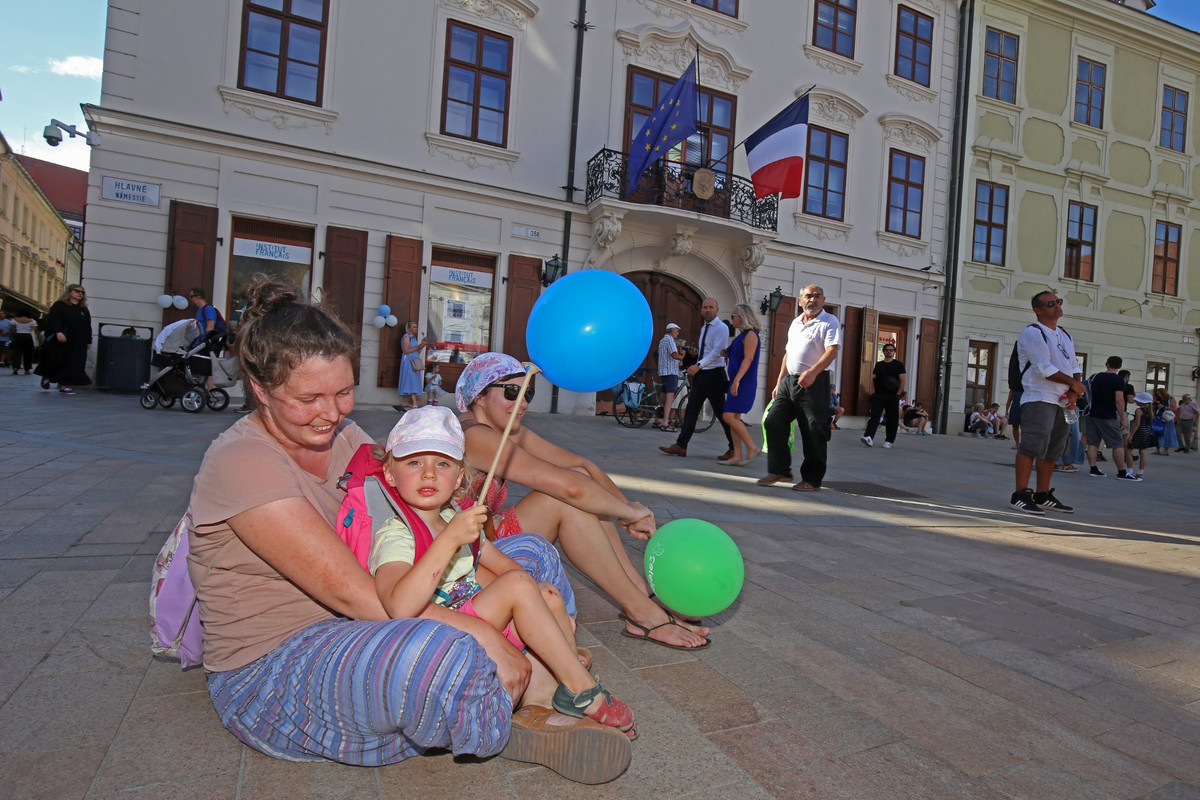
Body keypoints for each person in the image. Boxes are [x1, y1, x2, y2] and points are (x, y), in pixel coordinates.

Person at [187, 281, 632, 783]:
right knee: (435, 652)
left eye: (343, 392)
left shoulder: (347, 438)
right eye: (309, 398)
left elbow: (418, 528)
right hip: (278, 664)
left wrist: (493, 567)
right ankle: (511, 696)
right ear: (261, 390)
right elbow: (361, 600)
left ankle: (516, 689)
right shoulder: (242, 462)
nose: (332, 413)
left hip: (371, 618)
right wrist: (487, 634)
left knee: (528, 557)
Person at [369, 406, 636, 739]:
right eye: (413, 462)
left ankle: (541, 705)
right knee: (519, 587)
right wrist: (450, 540)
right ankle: (583, 691)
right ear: (390, 474)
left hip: (478, 610)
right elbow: (399, 606)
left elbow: (500, 563)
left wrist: (541, 604)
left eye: (442, 464)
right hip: (440, 634)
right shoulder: (396, 532)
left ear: (459, 478)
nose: (428, 474)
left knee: (547, 594)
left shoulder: (455, 518)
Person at [458, 352, 710, 651]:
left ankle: (643, 598)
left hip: (482, 537)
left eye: (528, 393)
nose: (522, 403)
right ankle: (641, 612)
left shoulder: (505, 428)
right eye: (512, 392)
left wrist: (625, 511)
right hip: (463, 555)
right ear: (480, 397)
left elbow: (582, 467)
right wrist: (628, 512)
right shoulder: (475, 436)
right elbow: (570, 489)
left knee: (580, 485)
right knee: (565, 500)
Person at [758, 285, 841, 492]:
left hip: (815, 381)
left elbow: (832, 350)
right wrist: (779, 381)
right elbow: (788, 353)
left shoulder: (829, 321)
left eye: (817, 296)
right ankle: (780, 470)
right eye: (808, 296)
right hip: (789, 382)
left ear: (823, 299)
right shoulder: (795, 323)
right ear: (800, 301)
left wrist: (812, 372)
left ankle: (812, 480)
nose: (813, 300)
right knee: (773, 420)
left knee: (814, 430)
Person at [1009, 291, 1084, 514]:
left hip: (1062, 400)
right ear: (1038, 310)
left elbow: (1075, 367)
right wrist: (1074, 384)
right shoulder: (1033, 333)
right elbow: (1043, 368)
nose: (1057, 306)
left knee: (1053, 450)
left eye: (1058, 302)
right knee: (1031, 445)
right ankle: (1020, 494)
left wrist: (1073, 392)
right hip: (1040, 397)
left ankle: (1042, 494)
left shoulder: (1064, 334)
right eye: (1050, 304)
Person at [659, 298, 735, 461]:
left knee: (721, 413)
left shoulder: (721, 328)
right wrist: (696, 358)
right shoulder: (704, 327)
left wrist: (698, 365)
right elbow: (706, 351)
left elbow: (716, 352)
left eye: (711, 307)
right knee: (692, 411)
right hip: (702, 374)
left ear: (717, 310)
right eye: (705, 307)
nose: (707, 310)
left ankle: (734, 448)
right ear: (701, 310)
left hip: (714, 375)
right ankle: (681, 446)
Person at [718, 304, 762, 466]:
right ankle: (737, 455)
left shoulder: (751, 335)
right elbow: (734, 352)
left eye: (733, 316)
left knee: (728, 416)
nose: (732, 320)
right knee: (733, 417)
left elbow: (748, 359)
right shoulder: (741, 336)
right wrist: (726, 352)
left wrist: (737, 380)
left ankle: (751, 447)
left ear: (742, 317)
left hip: (743, 381)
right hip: (738, 380)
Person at [35, 284, 93, 395]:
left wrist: (88, 340)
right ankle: (47, 375)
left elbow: (87, 325)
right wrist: (58, 331)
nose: (80, 294)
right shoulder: (60, 305)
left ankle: (65, 385)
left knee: (73, 362)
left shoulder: (83, 309)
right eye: (77, 291)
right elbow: (53, 319)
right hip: (62, 338)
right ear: (70, 292)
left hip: (78, 340)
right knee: (57, 359)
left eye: (82, 292)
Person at [1084, 356, 1134, 480]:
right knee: (1117, 444)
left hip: (1092, 413)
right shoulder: (1118, 380)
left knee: (1093, 443)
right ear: (1120, 367)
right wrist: (1122, 418)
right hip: (1108, 415)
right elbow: (1119, 400)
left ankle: (1093, 468)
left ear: (1107, 364)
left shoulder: (1095, 377)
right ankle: (1122, 472)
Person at [861, 343, 905, 449]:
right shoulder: (879, 364)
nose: (889, 351)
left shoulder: (898, 365)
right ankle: (869, 437)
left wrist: (898, 394)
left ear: (894, 352)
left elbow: (902, 380)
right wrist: (874, 392)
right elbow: (874, 379)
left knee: (892, 418)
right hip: (879, 395)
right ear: (883, 352)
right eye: (887, 350)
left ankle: (889, 441)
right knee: (874, 416)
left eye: (891, 350)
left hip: (892, 395)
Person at [654, 322, 683, 432]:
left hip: (663, 371)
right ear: (672, 331)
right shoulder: (670, 340)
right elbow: (673, 355)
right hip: (671, 371)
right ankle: (665, 423)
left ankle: (657, 419)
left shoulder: (662, 340)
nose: (678, 333)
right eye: (677, 330)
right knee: (670, 397)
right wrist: (681, 357)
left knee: (663, 395)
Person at [396, 321, 428, 411]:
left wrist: (421, 345)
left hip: (414, 360)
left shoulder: (414, 338)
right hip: (408, 361)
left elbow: (416, 351)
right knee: (410, 380)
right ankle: (414, 402)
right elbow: (406, 351)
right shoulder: (406, 337)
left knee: (411, 379)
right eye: (414, 327)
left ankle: (405, 401)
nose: (416, 329)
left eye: (416, 327)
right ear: (409, 328)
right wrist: (418, 347)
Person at [188, 288, 227, 353]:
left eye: (191, 296)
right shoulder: (199, 310)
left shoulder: (208, 309)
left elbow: (210, 327)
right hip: (199, 342)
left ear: (198, 297)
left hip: (204, 344)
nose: (190, 299)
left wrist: (204, 342)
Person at [1127, 392, 1155, 480]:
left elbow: (1137, 424)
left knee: (1128, 450)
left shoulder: (1139, 410)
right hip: (1147, 432)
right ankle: (1140, 472)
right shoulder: (1149, 410)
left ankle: (1129, 471)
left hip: (1139, 432)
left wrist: (1131, 435)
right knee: (1143, 451)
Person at [9, 310, 39, 375]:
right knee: (28, 353)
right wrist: (40, 339)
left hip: (18, 336)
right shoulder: (32, 321)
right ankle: (27, 369)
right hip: (28, 336)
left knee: (16, 353)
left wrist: (11, 336)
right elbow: (36, 331)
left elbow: (12, 329)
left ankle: (15, 368)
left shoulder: (14, 320)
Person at [1152, 387, 1179, 455]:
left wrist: (1164, 407)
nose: (1159, 395)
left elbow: (1174, 408)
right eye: (1157, 394)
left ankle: (1166, 450)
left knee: (1167, 434)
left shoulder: (1171, 399)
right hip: (1158, 418)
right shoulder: (1158, 400)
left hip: (1167, 419)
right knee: (1157, 433)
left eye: (1160, 393)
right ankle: (1158, 449)